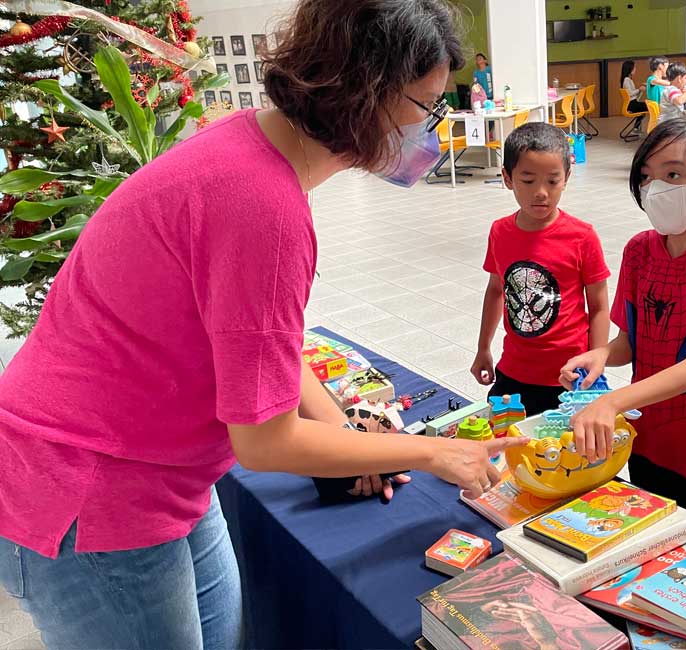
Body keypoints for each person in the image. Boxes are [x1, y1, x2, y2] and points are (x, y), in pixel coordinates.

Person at [0, 2, 527, 649]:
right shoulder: (263, 205)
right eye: (426, 107)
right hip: (92, 486)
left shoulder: (251, 149)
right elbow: (264, 442)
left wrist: (345, 433)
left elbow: (261, 348)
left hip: (157, 472)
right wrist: (435, 451)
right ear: (369, 94)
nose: (429, 130)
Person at [559, 117, 686, 530]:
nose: (655, 190)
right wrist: (599, 355)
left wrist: (613, 401)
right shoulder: (640, 251)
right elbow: (629, 343)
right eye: (647, 178)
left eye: (672, 175)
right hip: (646, 439)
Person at [471, 122, 610, 416]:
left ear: (566, 178)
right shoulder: (500, 232)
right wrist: (483, 348)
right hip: (513, 371)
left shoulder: (582, 237)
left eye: (552, 181)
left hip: (569, 376)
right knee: (507, 452)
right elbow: (497, 290)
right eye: (528, 180)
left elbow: (598, 306)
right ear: (508, 178)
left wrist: (595, 359)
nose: (541, 193)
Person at [621, 59, 647, 133]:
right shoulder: (626, 80)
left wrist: (640, 89)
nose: (635, 69)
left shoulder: (628, 79)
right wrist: (639, 89)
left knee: (645, 108)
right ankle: (636, 128)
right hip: (632, 104)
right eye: (634, 67)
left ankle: (636, 128)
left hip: (633, 103)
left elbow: (633, 93)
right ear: (630, 69)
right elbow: (630, 94)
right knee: (649, 106)